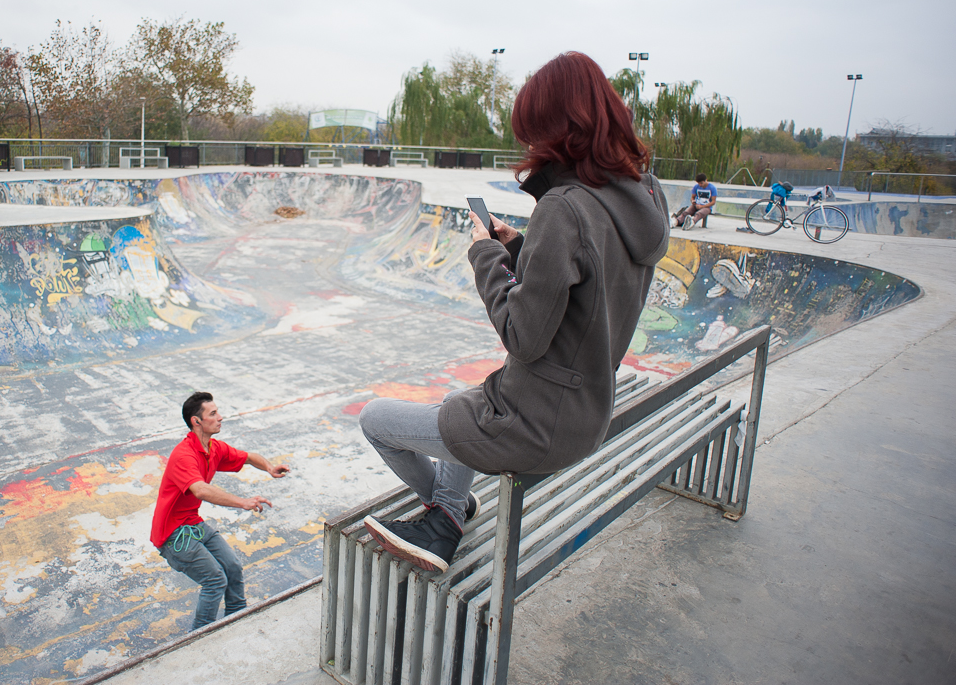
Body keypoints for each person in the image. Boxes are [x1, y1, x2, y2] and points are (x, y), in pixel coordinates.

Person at [359, 51, 670, 572]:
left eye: (532, 135)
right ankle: (450, 509)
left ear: (559, 130)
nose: (528, 148)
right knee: (459, 399)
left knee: (375, 419)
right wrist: (522, 245)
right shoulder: (645, 197)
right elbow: (592, 284)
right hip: (586, 412)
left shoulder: (564, 207)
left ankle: (441, 519)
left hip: (532, 427)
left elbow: (522, 337)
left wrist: (485, 253)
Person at [151, 391, 290, 630]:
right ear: (196, 421)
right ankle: (200, 636)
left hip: (193, 524)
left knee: (232, 567)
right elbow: (201, 490)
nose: (220, 417)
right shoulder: (183, 455)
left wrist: (269, 467)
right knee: (215, 580)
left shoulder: (213, 448)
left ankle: (238, 617)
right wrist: (243, 502)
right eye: (213, 414)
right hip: (173, 535)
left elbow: (248, 457)